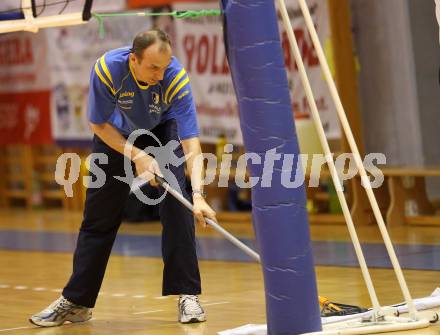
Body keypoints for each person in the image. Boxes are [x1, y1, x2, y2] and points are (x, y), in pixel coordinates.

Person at [30, 29, 217, 327]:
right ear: (133, 60)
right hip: (117, 135)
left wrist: (198, 195)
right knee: (98, 217)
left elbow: (191, 142)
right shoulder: (107, 70)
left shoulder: (175, 79)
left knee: (178, 207)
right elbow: (97, 123)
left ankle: (188, 294)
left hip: (161, 129)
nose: (160, 74)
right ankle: (77, 302)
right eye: (153, 68)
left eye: (164, 67)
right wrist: (138, 156)